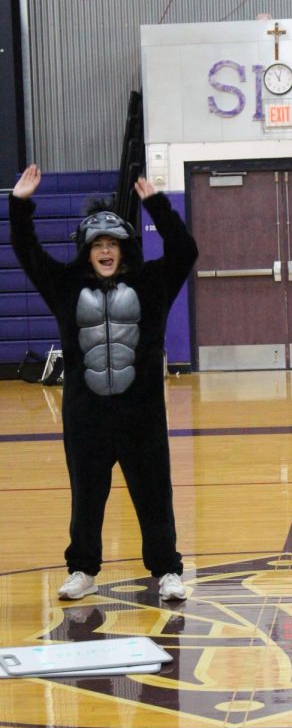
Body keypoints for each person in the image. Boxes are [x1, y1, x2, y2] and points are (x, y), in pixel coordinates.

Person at [9, 165, 198, 602]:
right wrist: (19, 204)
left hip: (142, 413)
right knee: (87, 496)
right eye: (98, 244)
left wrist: (159, 205)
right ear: (87, 251)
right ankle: (82, 569)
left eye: (113, 243)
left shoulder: (152, 283)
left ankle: (167, 570)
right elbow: (27, 249)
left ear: (126, 248)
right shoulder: (65, 284)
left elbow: (185, 250)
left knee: (153, 494)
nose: (106, 250)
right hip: (86, 412)